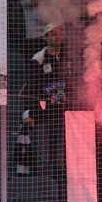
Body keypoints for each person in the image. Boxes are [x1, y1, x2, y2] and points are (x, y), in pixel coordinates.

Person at [25, 22, 72, 179]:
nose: (57, 36)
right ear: (45, 38)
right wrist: (30, 114)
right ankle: (44, 192)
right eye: (53, 33)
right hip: (43, 116)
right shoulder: (38, 59)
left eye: (59, 33)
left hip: (64, 115)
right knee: (44, 159)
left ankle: (61, 193)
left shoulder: (69, 57)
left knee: (61, 159)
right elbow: (31, 89)